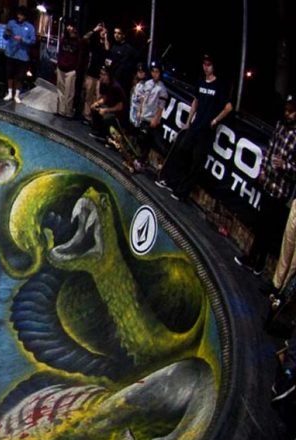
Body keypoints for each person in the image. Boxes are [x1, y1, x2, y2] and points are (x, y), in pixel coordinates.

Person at [155, 54, 233, 202]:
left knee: (196, 162)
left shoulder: (219, 85)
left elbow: (228, 107)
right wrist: (189, 121)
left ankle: (182, 192)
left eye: (209, 65)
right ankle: (171, 181)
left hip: (206, 131)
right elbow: (195, 101)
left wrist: (215, 120)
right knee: (182, 151)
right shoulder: (201, 81)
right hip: (195, 126)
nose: (206, 68)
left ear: (213, 67)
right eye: (204, 64)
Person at [235, 99, 296, 277]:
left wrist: (284, 165)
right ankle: (251, 257)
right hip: (268, 181)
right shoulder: (280, 126)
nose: (288, 114)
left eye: (292, 112)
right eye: (287, 111)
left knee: (269, 228)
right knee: (260, 223)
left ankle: (260, 263)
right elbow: (269, 150)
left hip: (281, 189)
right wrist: (262, 170)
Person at [126, 62, 168, 172]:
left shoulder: (162, 88)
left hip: (152, 118)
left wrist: (156, 118)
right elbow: (143, 99)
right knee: (141, 137)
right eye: (153, 72)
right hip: (144, 115)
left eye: (157, 72)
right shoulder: (148, 83)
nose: (155, 74)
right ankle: (139, 158)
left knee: (146, 139)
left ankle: (142, 161)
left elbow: (161, 106)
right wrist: (139, 110)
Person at [3, 6, 35, 103]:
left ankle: (17, 95)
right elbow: (5, 36)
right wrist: (7, 34)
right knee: (10, 74)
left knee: (20, 76)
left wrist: (22, 39)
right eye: (18, 14)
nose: (19, 16)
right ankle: (9, 93)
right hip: (10, 53)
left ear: (25, 16)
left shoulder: (30, 27)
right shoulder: (11, 23)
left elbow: (33, 40)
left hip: (22, 55)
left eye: (21, 15)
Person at [88, 66, 127, 143]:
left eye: (103, 74)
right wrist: (97, 103)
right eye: (101, 74)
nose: (101, 76)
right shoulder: (103, 84)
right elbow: (105, 98)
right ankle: (97, 131)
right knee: (95, 108)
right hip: (109, 107)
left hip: (118, 112)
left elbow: (120, 107)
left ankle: (105, 135)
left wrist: (106, 110)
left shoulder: (115, 87)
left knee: (107, 117)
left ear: (108, 76)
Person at [55, 19, 83, 117]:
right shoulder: (63, 39)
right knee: (60, 90)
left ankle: (68, 112)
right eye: (68, 26)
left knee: (69, 92)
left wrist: (76, 69)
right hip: (61, 68)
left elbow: (80, 57)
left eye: (71, 26)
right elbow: (60, 53)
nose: (69, 28)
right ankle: (60, 111)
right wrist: (58, 64)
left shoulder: (78, 41)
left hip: (71, 70)